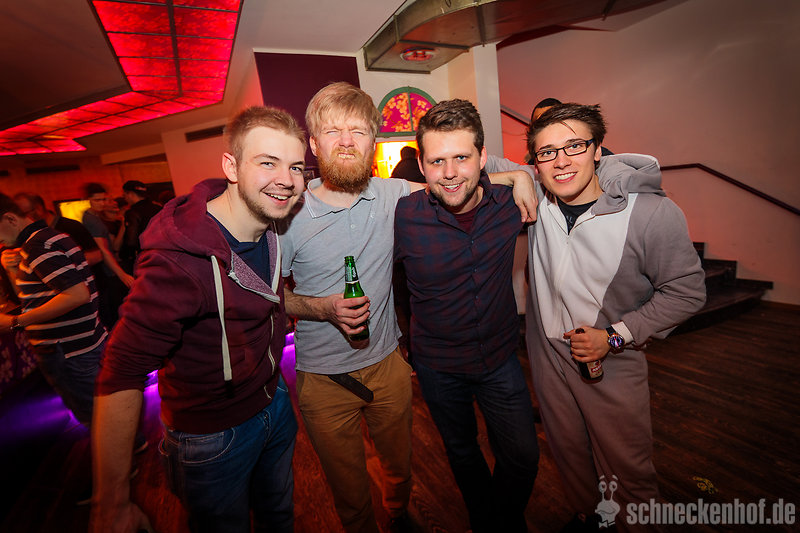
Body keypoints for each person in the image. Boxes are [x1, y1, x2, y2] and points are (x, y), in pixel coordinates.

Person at [279, 82, 535, 533]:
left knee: (403, 471)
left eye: (358, 131)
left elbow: (452, 178)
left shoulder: (395, 196)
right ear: (313, 144)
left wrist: (520, 176)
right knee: (351, 490)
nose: (346, 142)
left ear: (373, 142)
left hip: (392, 366)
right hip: (324, 376)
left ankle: (409, 517)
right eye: (333, 131)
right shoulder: (288, 215)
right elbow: (268, 294)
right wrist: (320, 307)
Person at [90, 106, 307, 533]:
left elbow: (264, 298)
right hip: (212, 435)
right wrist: (112, 504)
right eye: (268, 163)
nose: (286, 179)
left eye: (296, 166)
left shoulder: (272, 222)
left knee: (280, 518)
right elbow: (121, 371)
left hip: (275, 401)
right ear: (232, 166)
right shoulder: (179, 260)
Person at [524, 103, 706, 532]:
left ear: (597, 149)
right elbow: (465, 170)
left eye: (574, 146)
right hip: (548, 358)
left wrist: (614, 337)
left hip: (613, 361)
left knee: (628, 470)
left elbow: (687, 291)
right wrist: (515, 178)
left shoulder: (650, 213)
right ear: (535, 162)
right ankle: (589, 517)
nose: (561, 161)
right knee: (569, 454)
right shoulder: (537, 200)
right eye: (547, 152)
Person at [394, 99, 540, 533]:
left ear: (482, 156)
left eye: (461, 157)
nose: (450, 172)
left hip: (499, 358)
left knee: (523, 456)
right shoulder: (403, 216)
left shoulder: (508, 204)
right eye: (437, 161)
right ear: (422, 166)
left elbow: (579, 171)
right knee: (461, 451)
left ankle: (502, 519)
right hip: (437, 365)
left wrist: (521, 176)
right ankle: (484, 520)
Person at [0, 192, 107, 439]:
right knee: (105, 413)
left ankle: (122, 460)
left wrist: (15, 322)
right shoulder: (50, 236)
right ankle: (130, 449)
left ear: (11, 219)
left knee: (97, 420)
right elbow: (32, 298)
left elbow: (77, 295)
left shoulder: (37, 245)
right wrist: (13, 269)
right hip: (83, 343)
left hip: (68, 349)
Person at [82, 183, 133, 328]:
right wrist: (122, 275)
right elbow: (103, 250)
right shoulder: (91, 220)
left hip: (108, 271)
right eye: (97, 200)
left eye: (104, 199)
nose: (102, 203)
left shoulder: (95, 217)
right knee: (116, 315)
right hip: (107, 273)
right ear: (88, 200)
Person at [13, 192, 102, 267]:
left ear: (38, 208)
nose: (22, 219)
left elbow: (96, 256)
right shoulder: (30, 234)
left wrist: (59, 264)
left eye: (23, 214)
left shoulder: (71, 226)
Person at [119, 180, 162, 273]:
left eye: (124, 195)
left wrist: (123, 255)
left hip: (146, 257)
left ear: (130, 194)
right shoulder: (158, 208)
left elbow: (131, 241)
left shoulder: (133, 212)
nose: (125, 199)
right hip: (163, 252)